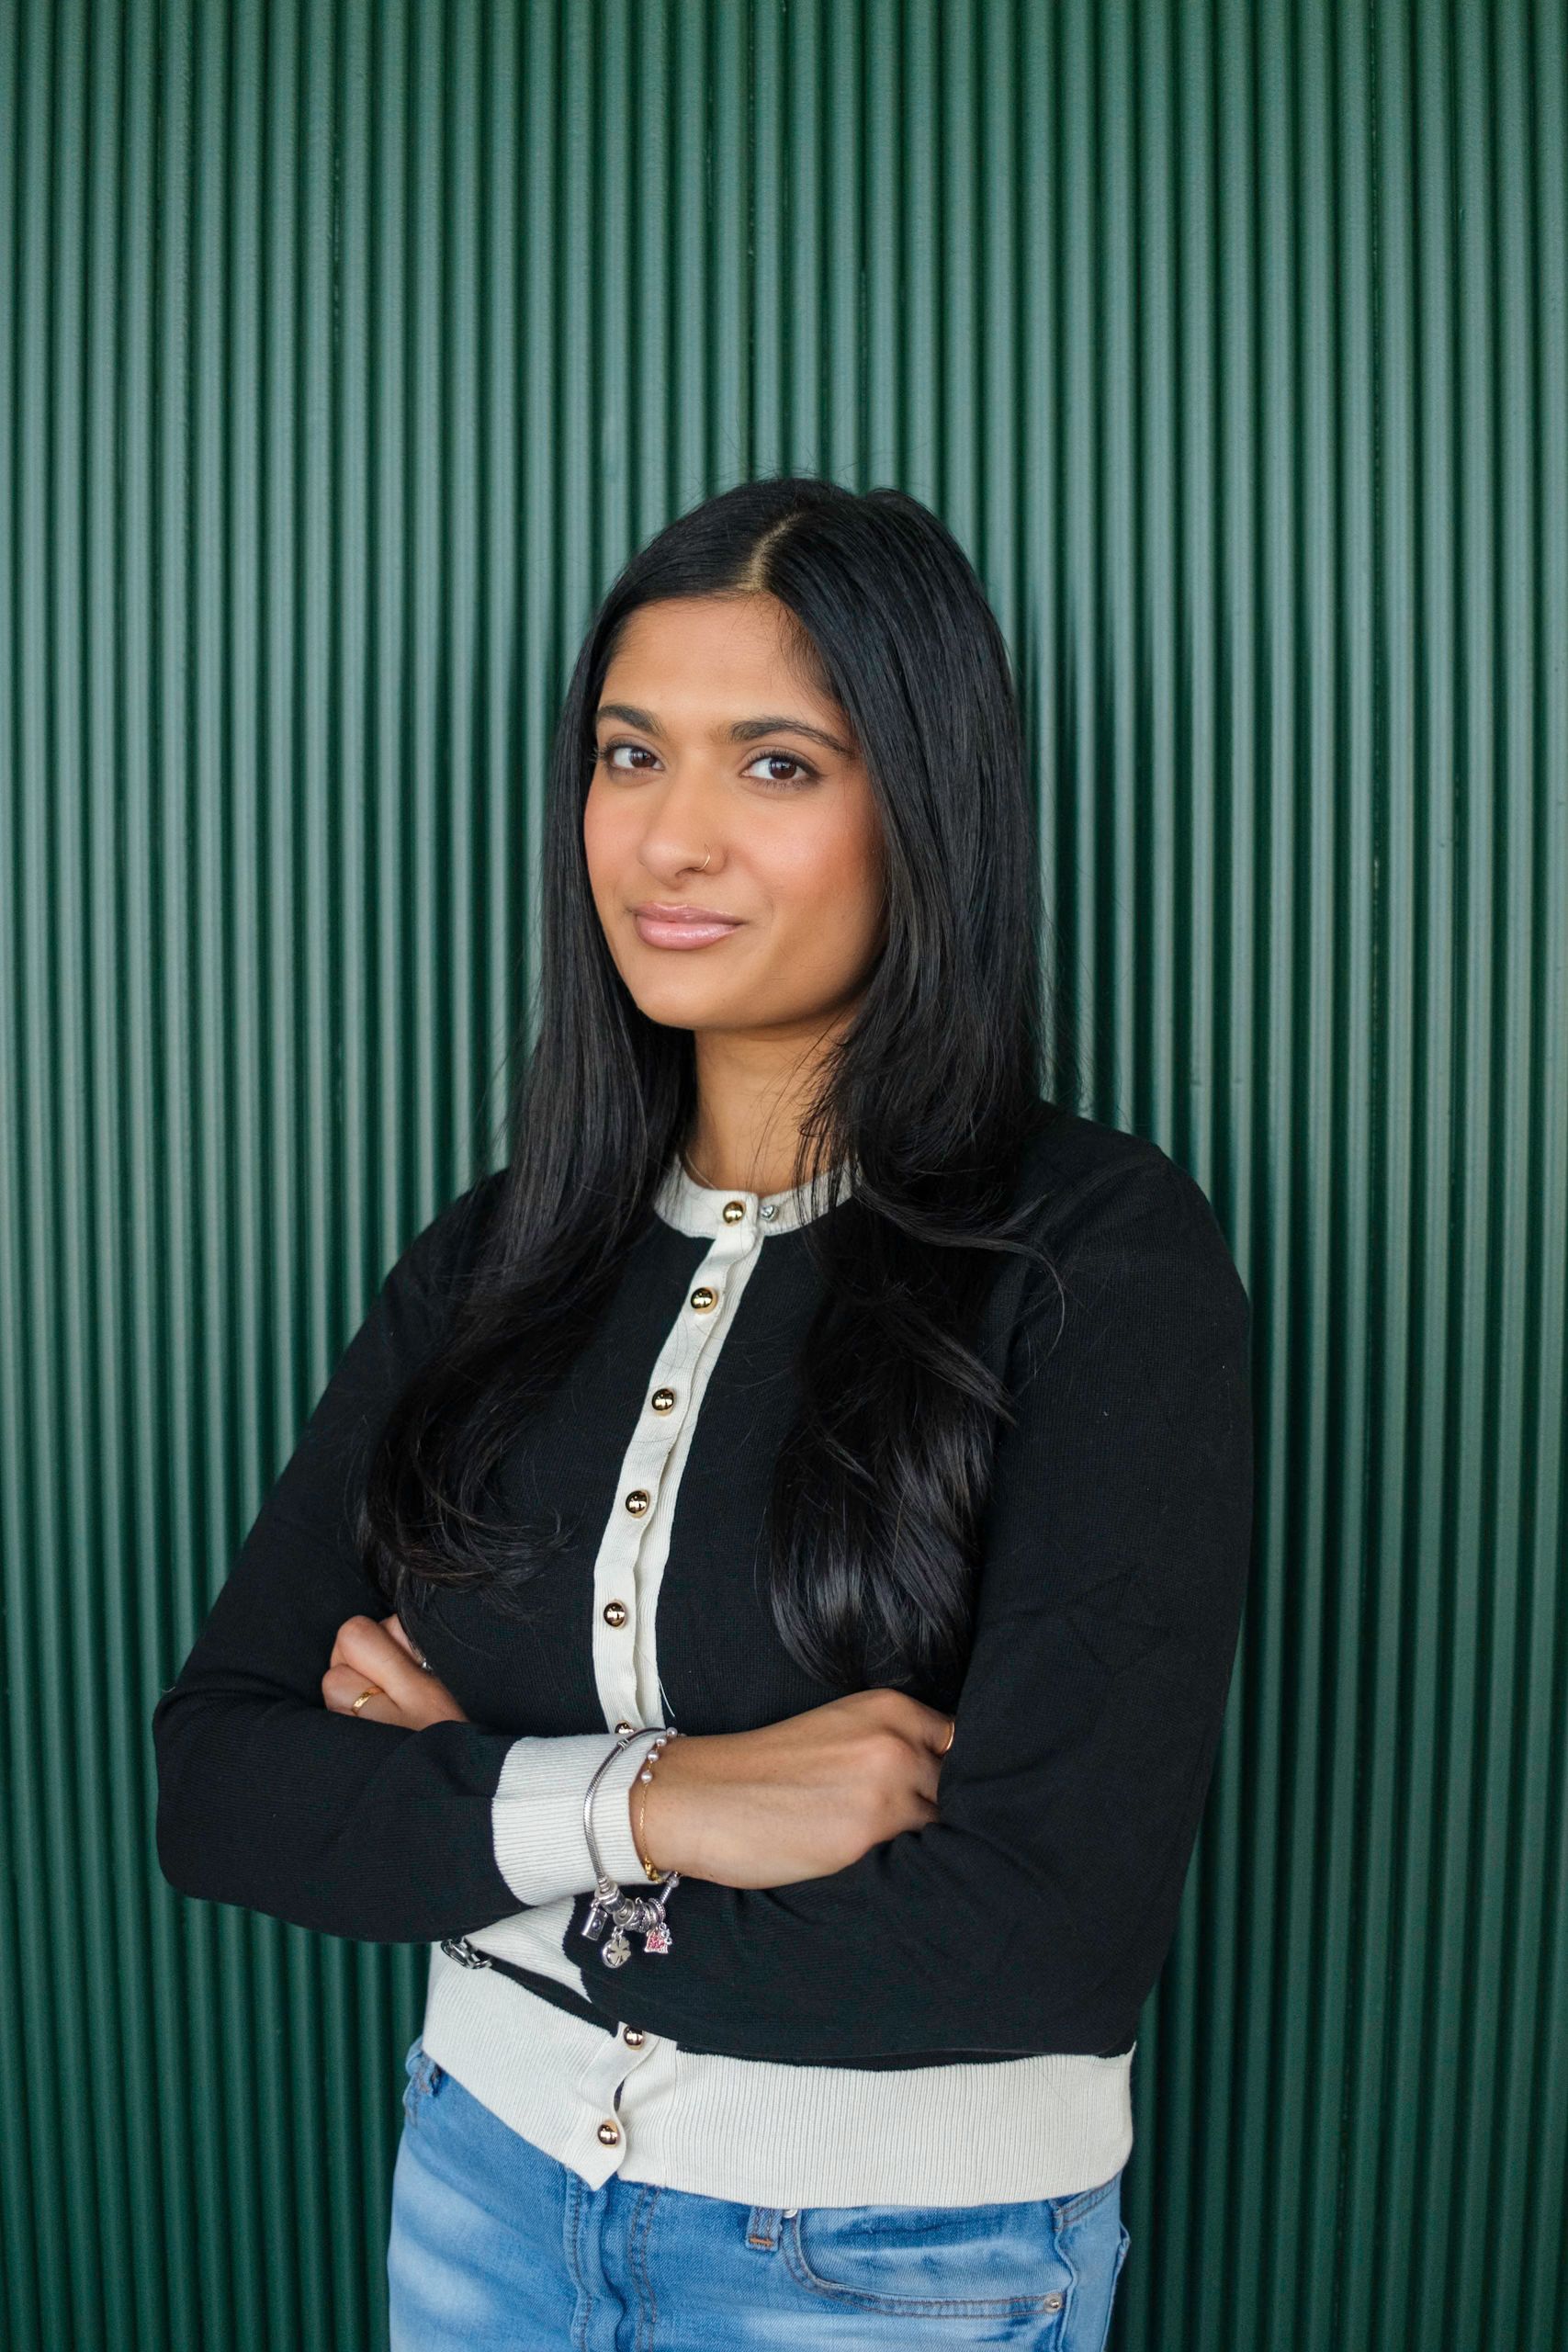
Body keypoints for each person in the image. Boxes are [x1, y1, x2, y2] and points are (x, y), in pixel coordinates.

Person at [152, 475, 1254, 2349]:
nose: (668, 839)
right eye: (628, 751)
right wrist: (665, 1801)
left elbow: (1028, 1942)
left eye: (773, 766)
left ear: (922, 802)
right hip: (477, 2190)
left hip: (890, 2266)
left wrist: (458, 1822)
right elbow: (223, 1784)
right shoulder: (492, 1256)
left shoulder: (1096, 1253)